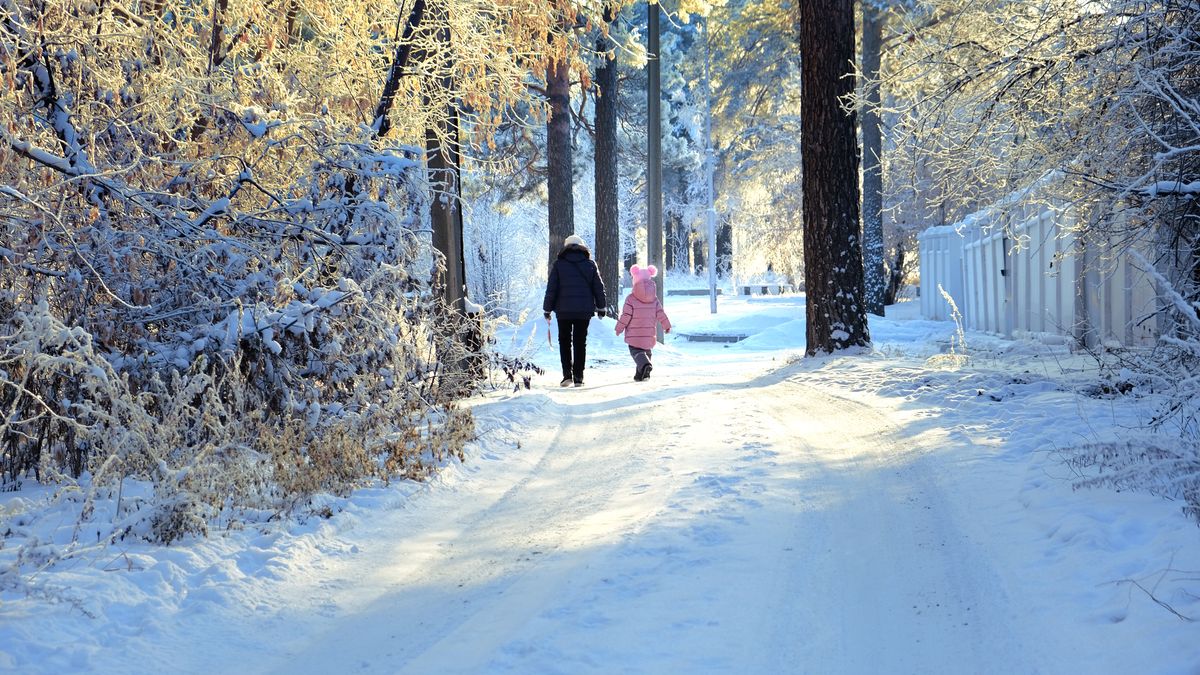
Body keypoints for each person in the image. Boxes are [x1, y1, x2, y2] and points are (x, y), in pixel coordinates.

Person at [543, 235, 606, 387]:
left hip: (563, 311)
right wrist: (601, 306)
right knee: (580, 342)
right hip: (583, 311)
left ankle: (567, 376)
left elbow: (552, 289)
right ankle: (578, 376)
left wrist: (547, 309)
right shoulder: (590, 264)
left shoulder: (559, 264)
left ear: (566, 247)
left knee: (564, 341)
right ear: (582, 247)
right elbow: (598, 287)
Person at [614, 264, 671, 382]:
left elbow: (626, 316)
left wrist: (619, 327)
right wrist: (666, 325)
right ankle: (642, 374)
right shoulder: (654, 299)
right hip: (649, 332)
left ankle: (645, 365)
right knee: (646, 350)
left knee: (636, 351)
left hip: (634, 333)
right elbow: (661, 313)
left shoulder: (631, 298)